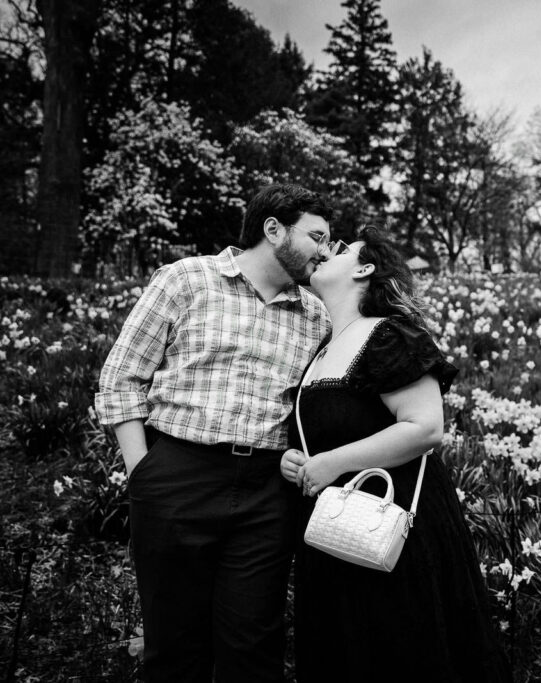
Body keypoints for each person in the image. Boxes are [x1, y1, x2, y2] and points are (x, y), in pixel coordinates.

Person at [94, 183, 335, 682]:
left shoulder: (315, 316)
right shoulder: (186, 279)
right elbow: (121, 377)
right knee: (174, 648)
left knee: (253, 648)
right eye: (316, 236)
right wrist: (144, 473)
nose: (325, 251)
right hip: (178, 476)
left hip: (266, 492)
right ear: (274, 229)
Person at [279, 226, 511, 682]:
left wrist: (332, 462)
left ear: (364, 269)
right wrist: (298, 460)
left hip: (394, 529)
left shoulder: (391, 335)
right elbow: (332, 430)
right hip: (334, 534)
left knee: (399, 649)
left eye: (341, 249)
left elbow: (425, 427)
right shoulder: (322, 349)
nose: (325, 251)